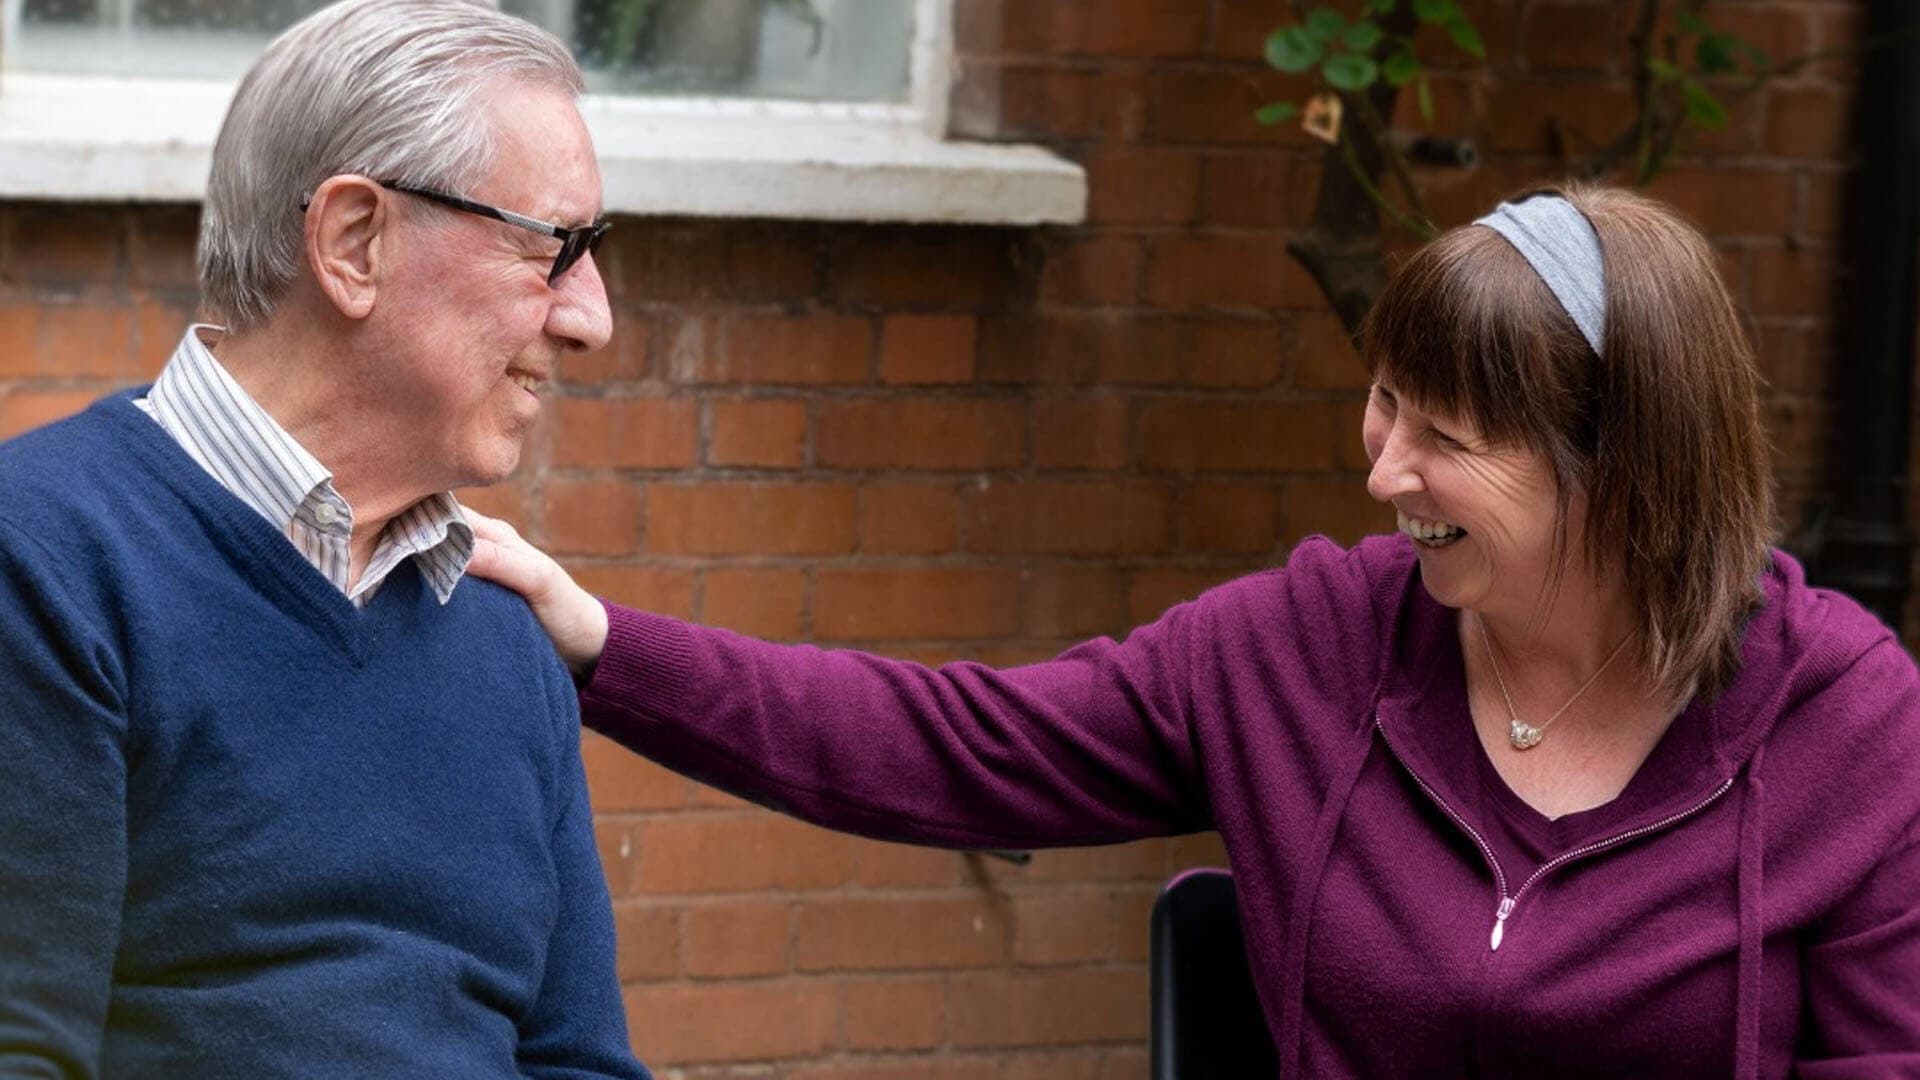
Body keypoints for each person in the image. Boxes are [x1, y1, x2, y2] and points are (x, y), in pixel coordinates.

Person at [469, 184, 1920, 1077]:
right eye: (1382, 405)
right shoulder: (1305, 649)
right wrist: (598, 639)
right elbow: (954, 746)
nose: (1382, 472)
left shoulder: (1842, 719)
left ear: (1624, 469)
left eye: (1448, 437)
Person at [0, 0, 647, 1076]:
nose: (591, 318)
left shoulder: (498, 627)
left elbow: (582, 1062)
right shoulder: (45, 562)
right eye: (555, 247)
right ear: (355, 242)